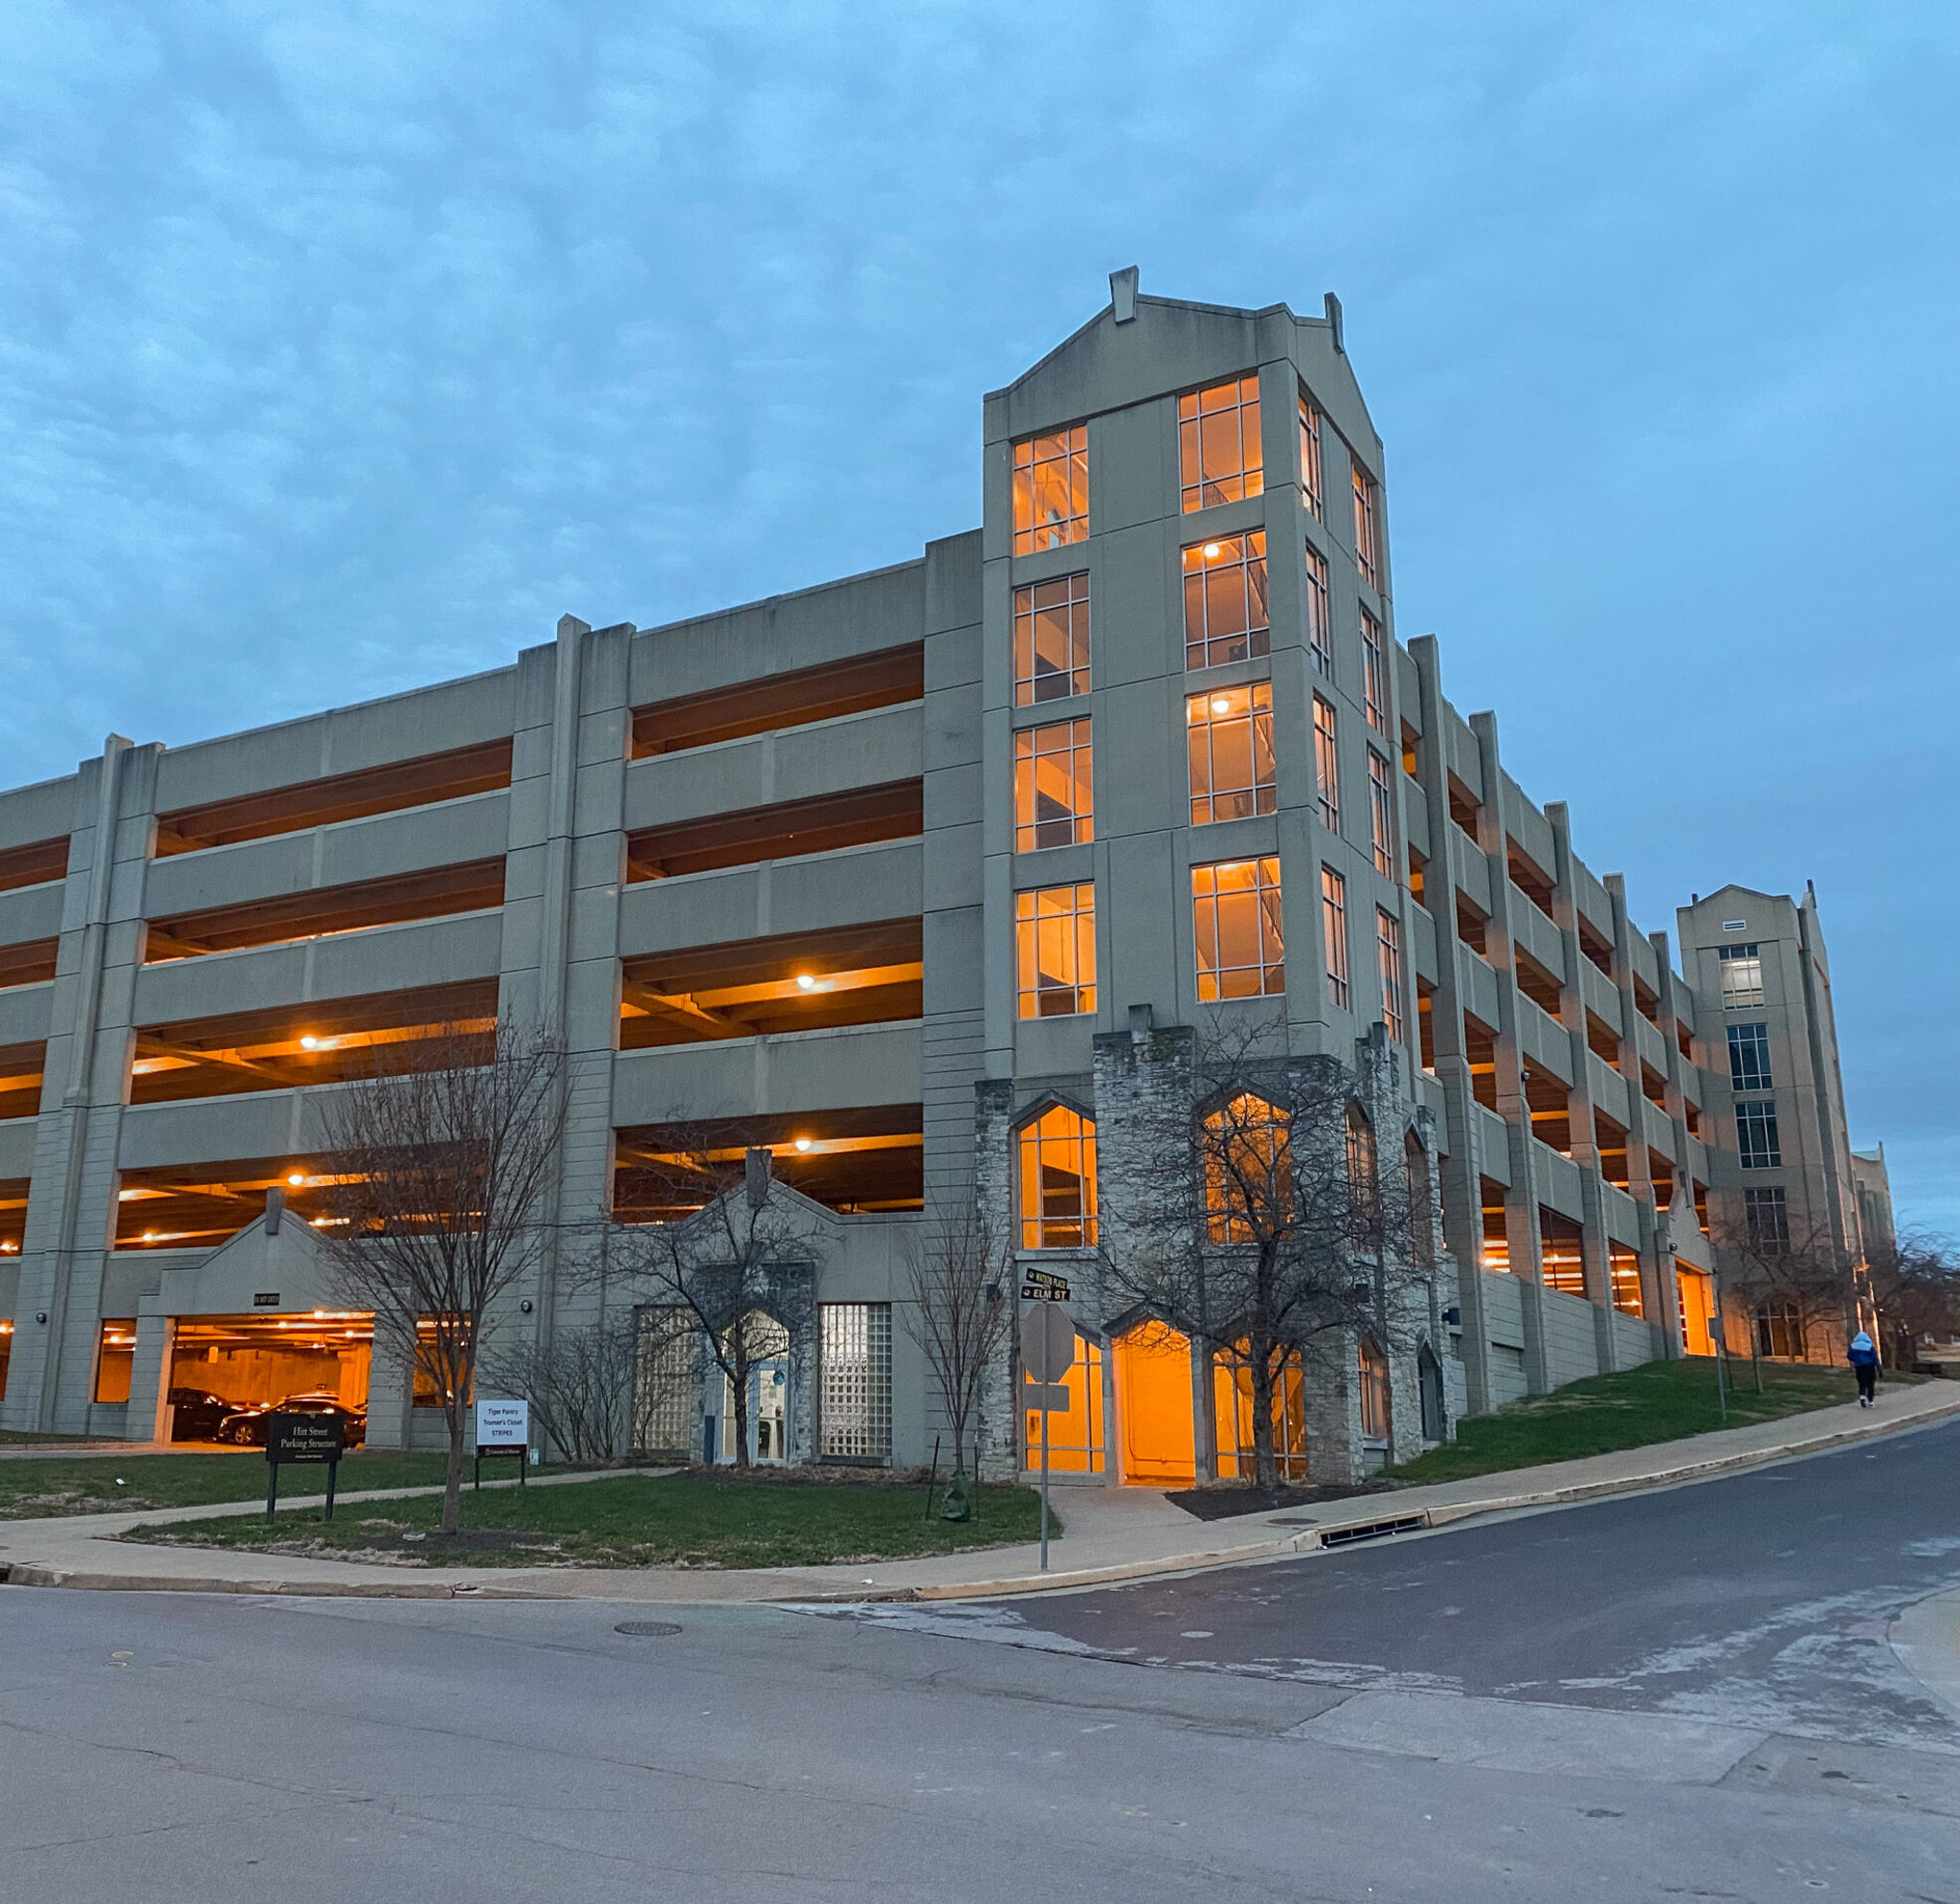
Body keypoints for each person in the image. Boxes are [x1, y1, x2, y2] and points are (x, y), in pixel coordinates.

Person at [1848, 1330, 1880, 1408]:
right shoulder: (1869, 1347)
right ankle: (1870, 1401)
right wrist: (1879, 1368)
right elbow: (1874, 1358)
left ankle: (1862, 1397)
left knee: (1862, 1383)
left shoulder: (1853, 1347)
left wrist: (1856, 1360)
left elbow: (1849, 1356)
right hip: (1869, 1366)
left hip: (1859, 1367)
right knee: (1870, 1384)